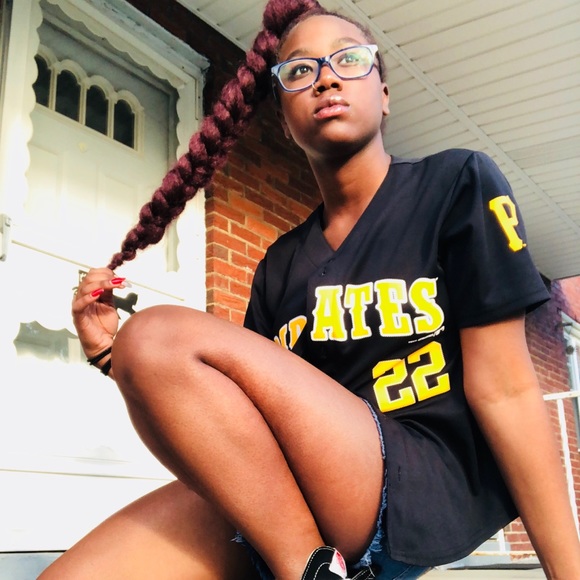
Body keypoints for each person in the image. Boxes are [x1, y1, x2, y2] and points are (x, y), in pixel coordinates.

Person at [40, 0, 580, 578]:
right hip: (302, 499)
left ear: (384, 94)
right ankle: (312, 566)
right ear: (283, 117)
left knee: (153, 335)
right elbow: (235, 420)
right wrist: (110, 354)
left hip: (425, 484)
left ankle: (307, 571)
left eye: (349, 60)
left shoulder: (455, 185)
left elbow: (506, 391)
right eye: (299, 69)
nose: (326, 78)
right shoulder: (280, 265)